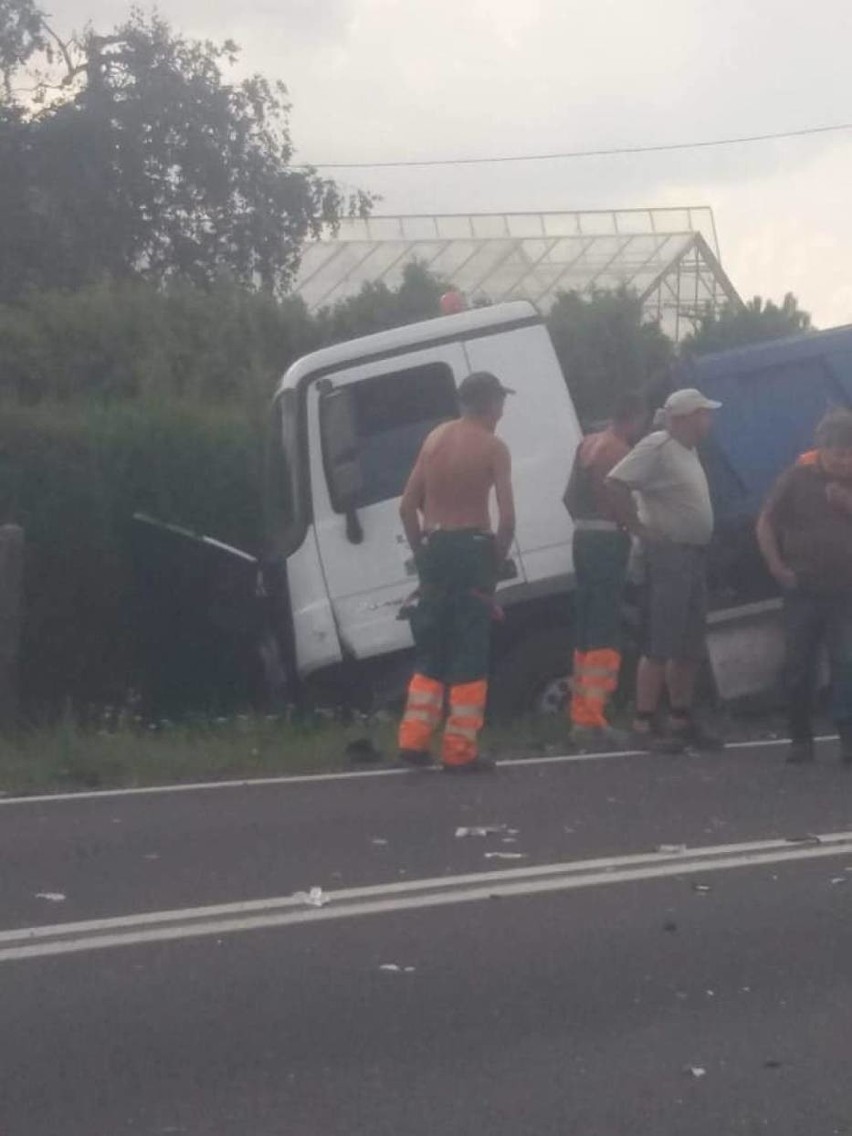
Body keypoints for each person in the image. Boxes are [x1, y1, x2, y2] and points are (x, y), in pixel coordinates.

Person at [397, 371, 516, 772]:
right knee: (469, 652)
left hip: (435, 547)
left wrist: (423, 553)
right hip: (472, 549)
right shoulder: (494, 447)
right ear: (490, 404)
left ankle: (413, 742)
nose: (502, 410)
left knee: (431, 649)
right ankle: (459, 750)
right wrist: (494, 565)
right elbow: (508, 519)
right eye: (501, 402)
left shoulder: (434, 439)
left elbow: (406, 506)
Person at [605, 388, 723, 752]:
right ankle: (644, 722)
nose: (709, 419)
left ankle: (680, 718)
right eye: (704, 412)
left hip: (692, 554)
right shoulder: (658, 445)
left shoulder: (688, 450)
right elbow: (615, 481)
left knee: (688, 643)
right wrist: (637, 528)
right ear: (685, 417)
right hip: (669, 556)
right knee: (661, 641)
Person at [755, 409, 852, 764]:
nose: (845, 460)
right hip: (804, 590)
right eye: (839, 453)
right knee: (799, 664)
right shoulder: (797, 478)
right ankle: (800, 736)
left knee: (847, 663)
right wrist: (776, 566)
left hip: (846, 591)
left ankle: (848, 737)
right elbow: (766, 521)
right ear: (822, 449)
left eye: (851, 453)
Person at [563, 392, 649, 743]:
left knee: (585, 627)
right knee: (604, 627)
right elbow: (620, 499)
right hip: (607, 542)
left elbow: (569, 496)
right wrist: (637, 529)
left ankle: (580, 716)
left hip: (582, 538)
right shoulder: (621, 452)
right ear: (637, 418)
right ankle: (592, 719)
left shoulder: (587, 443)